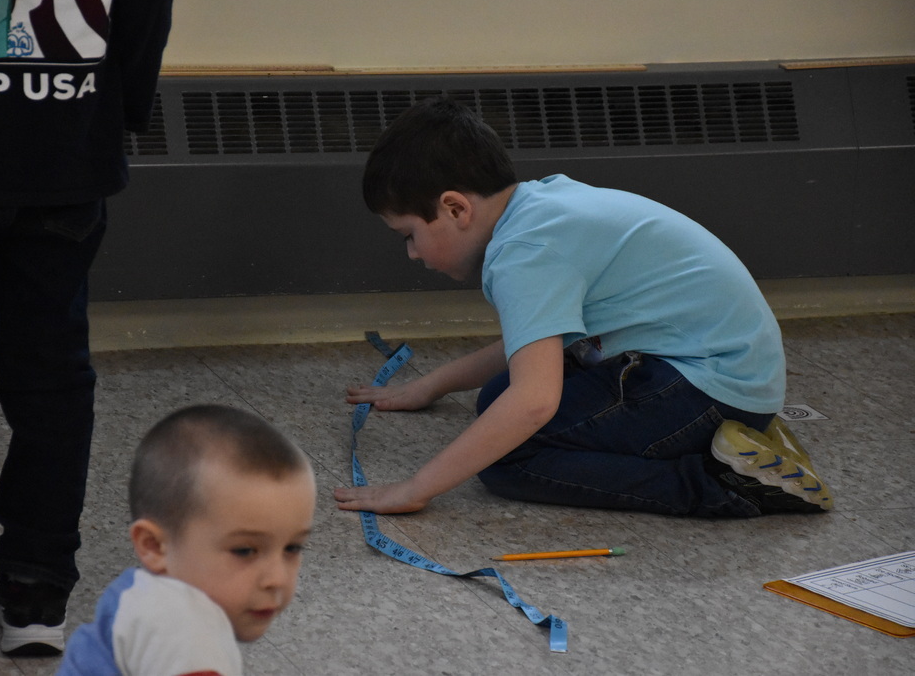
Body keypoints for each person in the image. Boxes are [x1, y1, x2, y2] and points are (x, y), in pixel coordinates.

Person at [333, 97, 833, 519]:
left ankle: (720, 482)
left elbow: (534, 402)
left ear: (455, 208)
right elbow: (535, 341)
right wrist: (431, 385)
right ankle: (734, 442)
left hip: (710, 386)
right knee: (497, 398)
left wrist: (415, 488)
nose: (413, 254)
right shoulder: (540, 207)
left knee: (509, 459)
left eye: (409, 236)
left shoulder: (524, 255)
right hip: (732, 372)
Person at [0, 0, 174, 672]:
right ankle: (36, 591)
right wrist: (114, 112)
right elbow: (144, 16)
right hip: (64, 156)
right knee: (53, 376)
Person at [56, 404, 316, 676]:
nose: (277, 579)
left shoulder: (140, 594)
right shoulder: (184, 627)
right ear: (154, 546)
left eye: (292, 547)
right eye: (245, 550)